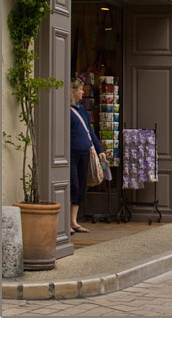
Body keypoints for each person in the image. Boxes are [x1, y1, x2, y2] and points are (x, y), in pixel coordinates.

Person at [69, 79, 107, 235]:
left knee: (81, 187)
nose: (83, 92)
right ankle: (67, 222)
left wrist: (99, 149)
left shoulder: (83, 110)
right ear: (72, 92)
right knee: (74, 185)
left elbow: (90, 132)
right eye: (80, 90)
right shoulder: (67, 111)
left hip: (85, 153)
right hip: (71, 153)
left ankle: (73, 220)